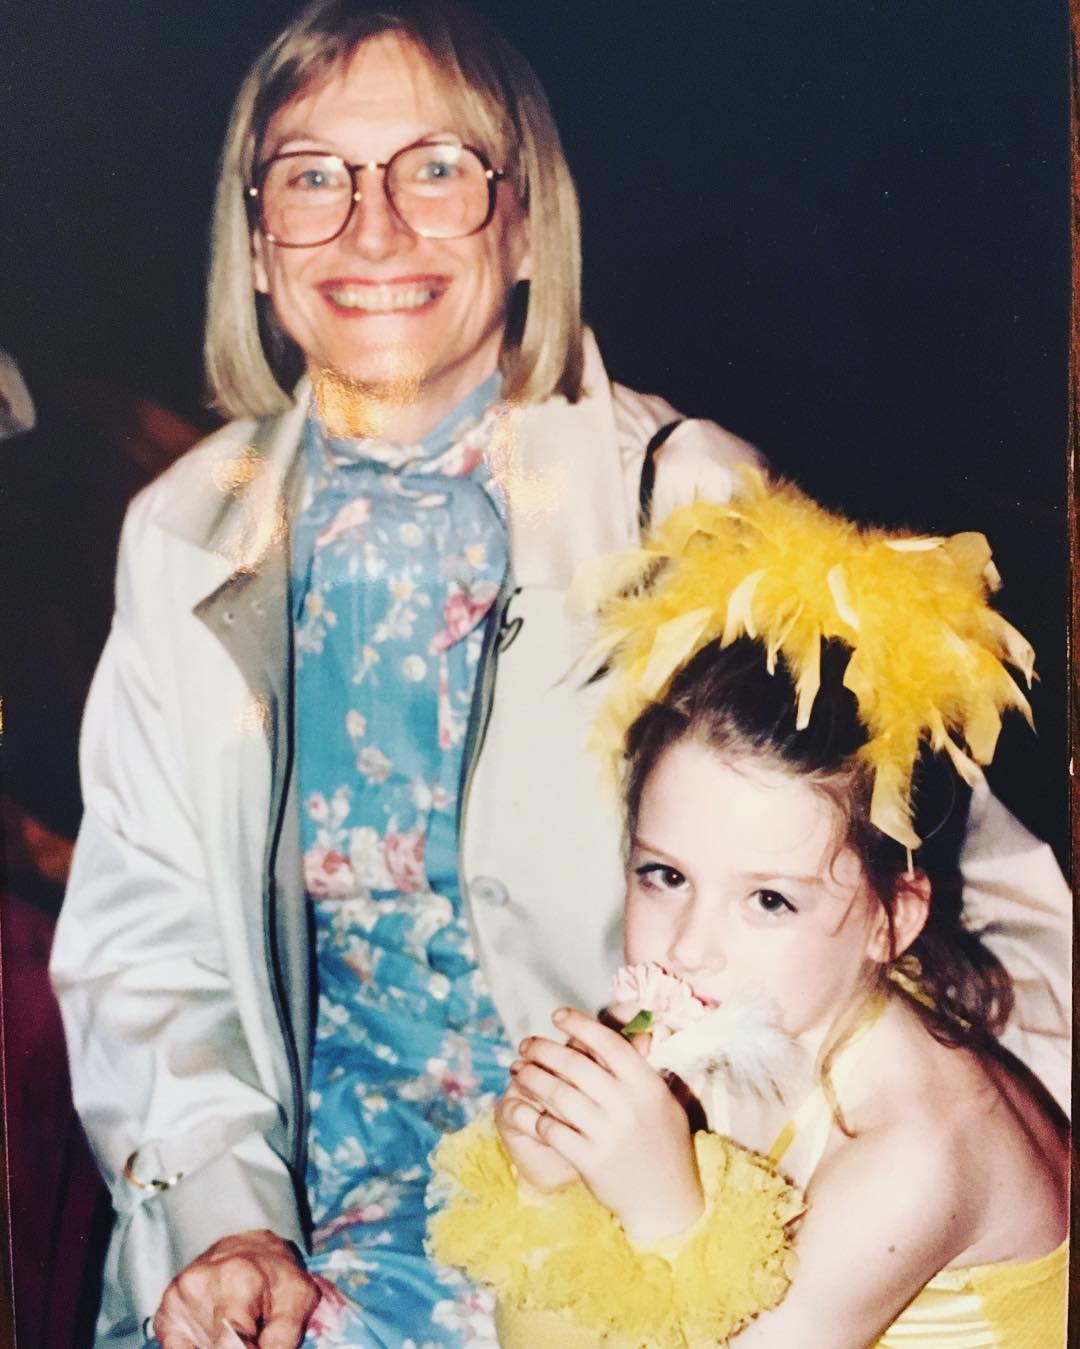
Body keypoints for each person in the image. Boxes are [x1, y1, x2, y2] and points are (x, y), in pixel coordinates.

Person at [49, 2, 1069, 1346]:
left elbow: (968, 895)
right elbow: (149, 949)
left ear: (528, 221)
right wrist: (229, 1220)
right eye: (312, 176)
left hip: (622, 1224)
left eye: (437, 169)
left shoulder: (687, 499)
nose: (372, 228)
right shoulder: (181, 536)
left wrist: (954, 1222)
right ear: (253, 241)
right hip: (290, 1224)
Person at [429, 475, 1069, 1347]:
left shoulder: (919, 1149)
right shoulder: (707, 1022)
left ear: (894, 919)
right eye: (664, 875)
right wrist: (550, 1192)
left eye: (769, 899)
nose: (691, 947)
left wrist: (663, 1208)